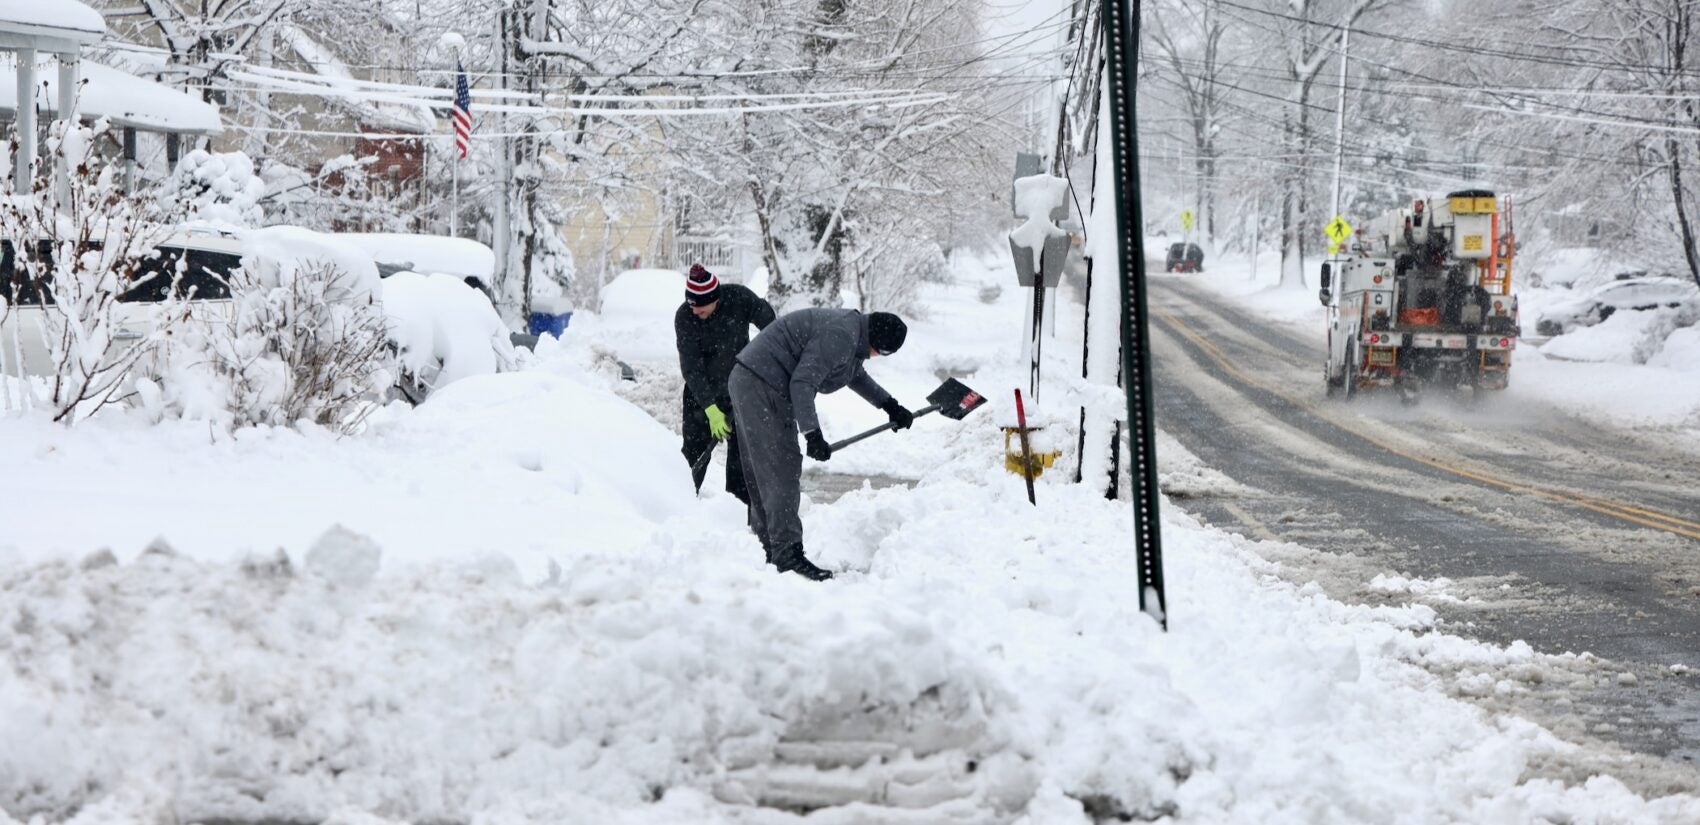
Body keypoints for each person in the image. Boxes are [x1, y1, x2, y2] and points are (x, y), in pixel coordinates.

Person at [728, 308, 912, 580]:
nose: (876, 358)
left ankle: (766, 548)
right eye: (882, 353)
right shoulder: (841, 336)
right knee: (780, 468)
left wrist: (889, 405)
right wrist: (812, 433)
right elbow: (802, 383)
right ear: (877, 343)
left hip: (751, 379)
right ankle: (786, 554)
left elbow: (853, 375)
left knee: (764, 470)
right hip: (762, 384)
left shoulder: (851, 332)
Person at [675, 263, 775, 502]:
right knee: (693, 455)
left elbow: (771, 324)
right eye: (691, 305)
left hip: (740, 390)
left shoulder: (738, 298)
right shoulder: (685, 317)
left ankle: (738, 511)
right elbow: (691, 367)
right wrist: (710, 408)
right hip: (700, 397)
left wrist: (763, 358)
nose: (695, 311)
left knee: (742, 459)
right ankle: (681, 504)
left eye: (700, 307)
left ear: (715, 298)